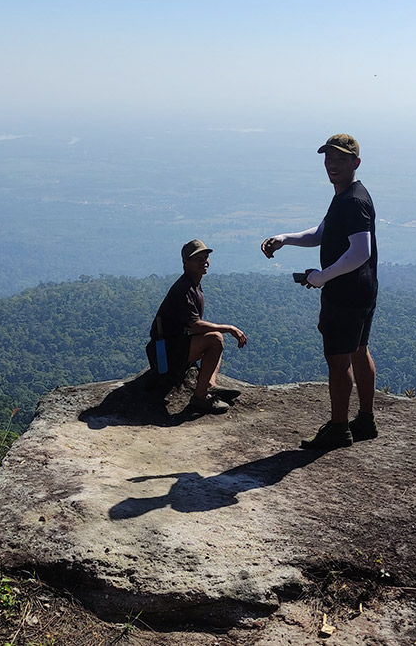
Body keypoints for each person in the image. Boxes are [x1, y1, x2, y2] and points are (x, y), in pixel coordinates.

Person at [261, 134, 378, 449]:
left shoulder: (353, 200)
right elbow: (323, 233)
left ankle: (339, 428)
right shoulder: (347, 195)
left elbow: (360, 251)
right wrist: (285, 238)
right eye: (328, 158)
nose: (332, 164)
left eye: (340, 159)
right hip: (362, 290)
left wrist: (321, 277)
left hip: (346, 294)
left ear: (356, 162)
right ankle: (365, 420)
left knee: (338, 362)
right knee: (359, 350)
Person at [148, 239, 247, 414]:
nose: (204, 261)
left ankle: (209, 384)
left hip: (175, 346)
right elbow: (195, 326)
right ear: (185, 262)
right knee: (215, 338)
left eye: (205, 257)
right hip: (163, 353)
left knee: (215, 338)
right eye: (197, 258)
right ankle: (199, 398)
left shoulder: (193, 285)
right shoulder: (184, 289)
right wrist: (229, 328)